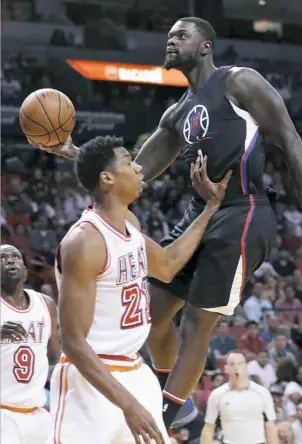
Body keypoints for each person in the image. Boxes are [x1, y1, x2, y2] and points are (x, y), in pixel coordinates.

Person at [31, 16, 302, 428]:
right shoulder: (177, 113)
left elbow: (289, 136)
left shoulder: (239, 82)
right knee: (152, 315)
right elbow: (134, 171)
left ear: (205, 46)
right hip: (202, 210)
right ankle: (178, 400)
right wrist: (76, 153)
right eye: (168, 36)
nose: (171, 40)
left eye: (181, 35)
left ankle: (165, 414)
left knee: (198, 320)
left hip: (245, 210)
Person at [50, 136, 231, 444]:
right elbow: (73, 343)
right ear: (107, 178)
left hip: (135, 370)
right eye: (128, 162)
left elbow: (168, 264)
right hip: (91, 380)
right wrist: (128, 406)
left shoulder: (129, 224)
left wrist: (211, 207)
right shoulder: (84, 242)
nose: (139, 169)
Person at [0, 244, 60, 444]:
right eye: (2, 258)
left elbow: (53, 357)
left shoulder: (45, 304)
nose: (10, 260)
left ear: (26, 272)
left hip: (37, 414)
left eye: (16, 257)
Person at [200, 352, 278, 444]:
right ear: (226, 369)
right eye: (232, 364)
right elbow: (209, 427)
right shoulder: (217, 395)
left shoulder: (262, 392)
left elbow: (270, 426)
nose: (236, 368)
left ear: (246, 367)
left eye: (240, 364)